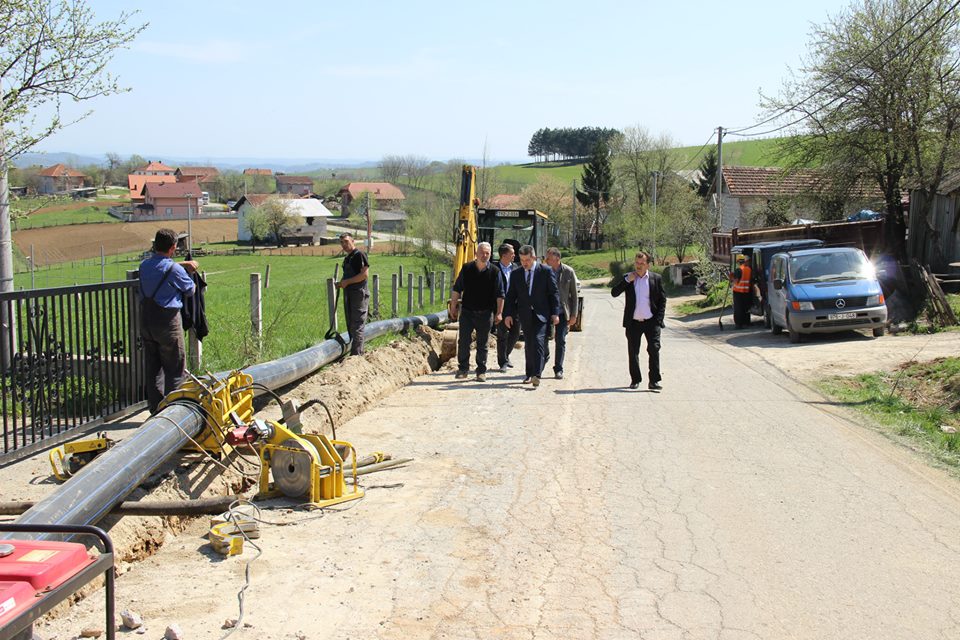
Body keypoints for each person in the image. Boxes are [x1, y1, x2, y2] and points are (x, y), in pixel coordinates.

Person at [139, 228, 199, 414]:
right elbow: (190, 290)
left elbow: (158, 265)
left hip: (146, 321)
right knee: (175, 367)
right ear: (173, 247)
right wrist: (187, 268)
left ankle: (156, 409)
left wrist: (179, 264)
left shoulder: (144, 266)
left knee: (153, 368)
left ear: (155, 244)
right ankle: (172, 412)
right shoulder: (174, 269)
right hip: (167, 322)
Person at [503, 245, 560, 388]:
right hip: (525, 314)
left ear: (534, 257)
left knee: (538, 340)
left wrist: (555, 313)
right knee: (529, 344)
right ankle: (529, 373)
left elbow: (553, 293)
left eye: (527, 260)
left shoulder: (545, 271)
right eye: (522, 260)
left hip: (542, 314)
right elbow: (510, 296)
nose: (524, 263)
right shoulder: (516, 274)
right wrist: (508, 314)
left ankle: (537, 374)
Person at [611, 251, 666, 391]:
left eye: (642, 263)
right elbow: (614, 293)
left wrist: (658, 320)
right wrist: (626, 281)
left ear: (648, 265)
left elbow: (662, 300)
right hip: (633, 322)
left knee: (654, 350)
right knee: (633, 352)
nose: (639, 266)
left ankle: (654, 381)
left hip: (651, 321)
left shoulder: (656, 279)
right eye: (637, 263)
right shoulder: (628, 278)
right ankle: (635, 380)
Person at [449, 242, 503, 382]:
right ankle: (463, 369)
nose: (484, 255)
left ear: (490, 255)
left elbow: (500, 294)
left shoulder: (495, 272)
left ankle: (481, 371)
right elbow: (457, 288)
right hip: (467, 312)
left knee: (483, 343)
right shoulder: (467, 269)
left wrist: (499, 313)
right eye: (482, 252)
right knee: (464, 341)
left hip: (485, 313)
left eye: (487, 253)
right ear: (476, 253)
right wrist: (453, 306)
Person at [543, 247, 579, 380]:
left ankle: (558, 369)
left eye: (549, 258)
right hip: (546, 311)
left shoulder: (568, 272)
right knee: (543, 338)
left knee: (560, 340)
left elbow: (574, 295)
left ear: (557, 259)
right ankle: (545, 356)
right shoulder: (544, 271)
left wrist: (574, 315)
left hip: (563, 312)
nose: (546, 260)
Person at [336, 233, 369, 355]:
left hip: (359, 294)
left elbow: (364, 275)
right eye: (341, 242)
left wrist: (347, 282)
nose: (344, 245)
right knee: (350, 322)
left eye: (346, 241)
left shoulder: (359, 255)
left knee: (357, 323)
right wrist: (341, 283)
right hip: (349, 293)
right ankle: (355, 351)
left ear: (353, 241)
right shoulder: (347, 258)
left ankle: (357, 355)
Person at [493, 244, 520, 373]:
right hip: (499, 305)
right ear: (504, 255)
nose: (514, 255)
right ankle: (502, 362)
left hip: (515, 306)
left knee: (515, 333)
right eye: (512, 253)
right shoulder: (494, 268)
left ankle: (506, 355)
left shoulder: (516, 268)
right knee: (502, 334)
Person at [730, 253, 752, 329]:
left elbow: (736, 281)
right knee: (745, 308)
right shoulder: (749, 269)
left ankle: (739, 324)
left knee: (738, 308)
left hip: (738, 292)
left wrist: (731, 277)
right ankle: (746, 323)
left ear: (738, 261)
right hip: (746, 291)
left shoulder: (739, 270)